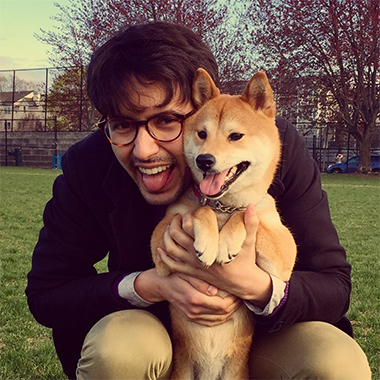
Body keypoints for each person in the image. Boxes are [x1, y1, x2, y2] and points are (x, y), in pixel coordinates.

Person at [26, 22, 371, 380]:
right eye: (122, 124)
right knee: (119, 351)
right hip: (155, 333)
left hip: (260, 338)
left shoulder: (273, 147)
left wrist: (255, 287)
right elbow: (48, 293)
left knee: (334, 361)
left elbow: (333, 286)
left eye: (167, 120)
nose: (144, 150)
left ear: (202, 102)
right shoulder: (89, 163)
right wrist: (148, 285)